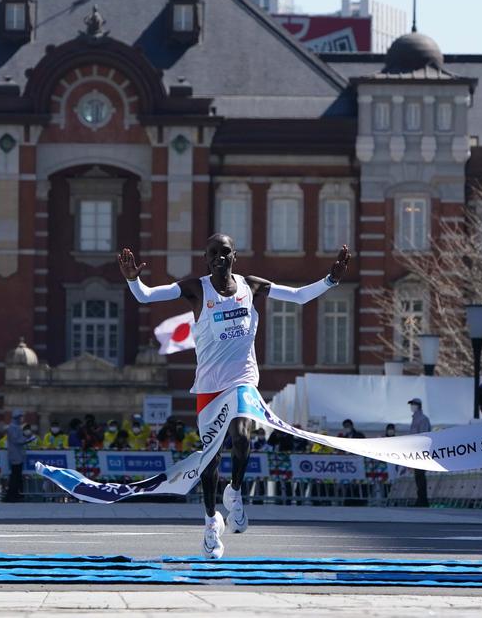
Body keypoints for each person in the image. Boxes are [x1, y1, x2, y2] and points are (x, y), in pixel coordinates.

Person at [120, 235, 350, 559]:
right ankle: (211, 522)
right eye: (213, 253)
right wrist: (133, 280)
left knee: (242, 437)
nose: (219, 258)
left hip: (242, 381)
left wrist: (330, 280)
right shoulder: (196, 289)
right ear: (206, 259)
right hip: (209, 387)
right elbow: (146, 297)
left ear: (234, 257)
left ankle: (236, 491)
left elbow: (297, 296)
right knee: (210, 459)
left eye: (225, 252)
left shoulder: (250, 287)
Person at [4, 411, 33, 502]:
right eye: (21, 417)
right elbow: (17, 440)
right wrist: (27, 439)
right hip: (15, 455)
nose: (22, 419)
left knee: (17, 476)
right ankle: (11, 495)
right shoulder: (13, 428)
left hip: (17, 454)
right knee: (15, 476)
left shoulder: (16, 427)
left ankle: (15, 494)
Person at [408, 397, 431, 507]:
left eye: (413, 404)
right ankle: (420, 498)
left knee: (420, 475)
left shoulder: (422, 419)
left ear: (418, 406)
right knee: (418, 476)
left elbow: (424, 434)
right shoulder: (415, 418)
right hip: (415, 450)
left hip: (421, 450)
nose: (411, 407)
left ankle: (423, 499)